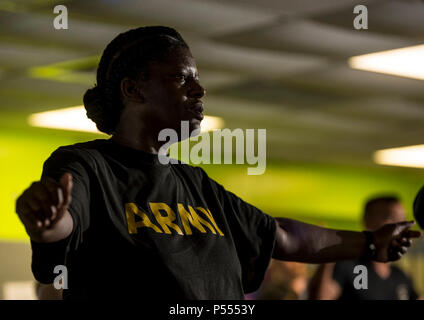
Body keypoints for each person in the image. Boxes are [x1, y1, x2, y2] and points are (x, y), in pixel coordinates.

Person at [15, 26, 420, 300]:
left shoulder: (195, 183)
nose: (199, 88)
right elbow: (67, 224)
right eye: (181, 78)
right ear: (133, 89)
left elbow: (280, 235)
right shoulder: (88, 165)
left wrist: (369, 242)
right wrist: (50, 226)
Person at [309, 196, 419, 300]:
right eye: (391, 217)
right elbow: (321, 297)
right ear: (367, 221)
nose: (399, 226)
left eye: (403, 218)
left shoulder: (400, 276)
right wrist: (327, 252)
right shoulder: (350, 265)